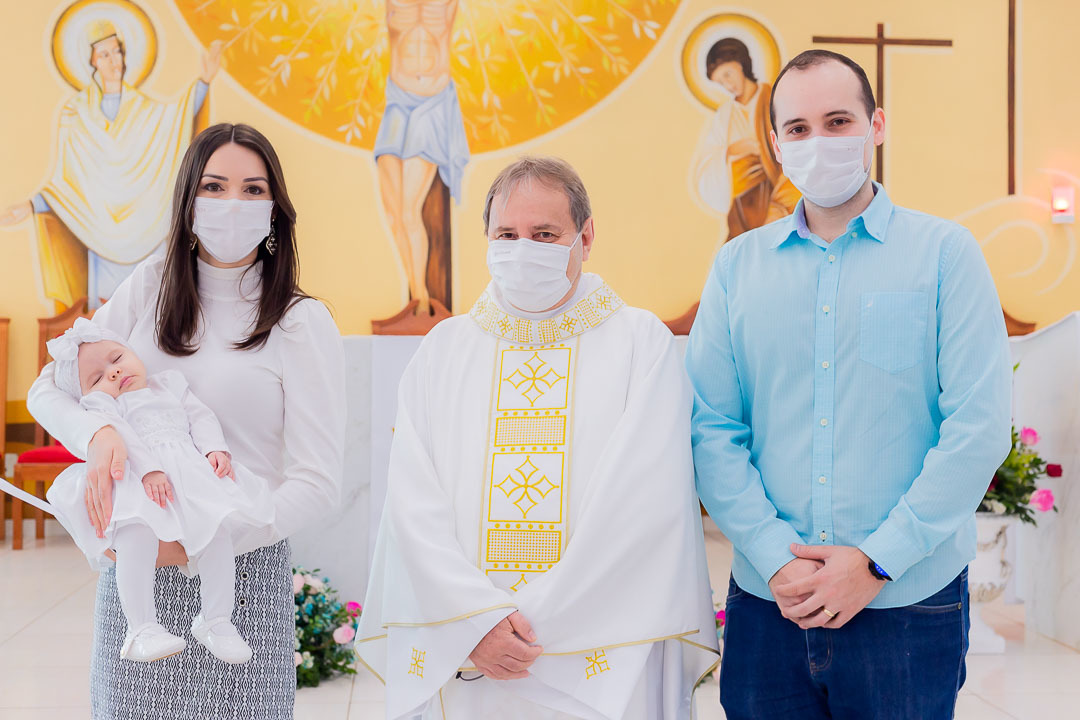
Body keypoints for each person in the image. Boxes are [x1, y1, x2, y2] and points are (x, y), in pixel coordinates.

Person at [687, 49, 1013, 719]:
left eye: (838, 121)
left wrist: (873, 561)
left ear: (877, 125)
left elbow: (976, 429)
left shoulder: (946, 255)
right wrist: (778, 559)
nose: (819, 142)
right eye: (799, 129)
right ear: (776, 144)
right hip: (769, 604)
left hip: (907, 602)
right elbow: (712, 428)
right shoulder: (736, 269)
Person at [357, 156, 718, 718]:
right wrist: (473, 624)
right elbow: (411, 504)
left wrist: (534, 629)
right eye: (507, 234)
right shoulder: (445, 349)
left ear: (586, 236)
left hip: (605, 655)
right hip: (471, 658)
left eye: (545, 234)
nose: (523, 248)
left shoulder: (638, 343)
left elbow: (646, 505)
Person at [27, 122, 345, 718]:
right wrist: (97, 435)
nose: (233, 204)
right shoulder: (150, 286)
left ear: (276, 207)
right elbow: (49, 386)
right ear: (187, 202)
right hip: (140, 577)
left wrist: (205, 533)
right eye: (215, 186)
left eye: (253, 190)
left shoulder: (302, 322)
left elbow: (318, 479)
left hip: (241, 576)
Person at [42, 317, 277, 664]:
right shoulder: (102, 406)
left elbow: (200, 416)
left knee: (217, 533)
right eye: (96, 378)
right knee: (136, 537)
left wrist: (214, 448)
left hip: (190, 474)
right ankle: (141, 628)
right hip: (139, 478)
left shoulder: (169, 384)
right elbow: (119, 433)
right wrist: (150, 469)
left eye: (117, 358)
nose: (113, 373)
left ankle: (216, 619)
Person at [0, 20, 222, 308]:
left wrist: (204, 82)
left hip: (147, 228)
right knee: (104, 323)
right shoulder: (75, 114)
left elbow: (176, 123)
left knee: (153, 313)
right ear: (92, 61)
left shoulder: (144, 110)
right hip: (100, 232)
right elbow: (68, 182)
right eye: (104, 54)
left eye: (117, 52)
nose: (113, 61)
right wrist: (31, 206)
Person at [374, 0, 468, 315]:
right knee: (393, 213)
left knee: (409, 209)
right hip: (397, 102)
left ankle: (423, 299)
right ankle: (416, 295)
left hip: (433, 103)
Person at [692, 38, 799, 239]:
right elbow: (706, 165)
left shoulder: (773, 100)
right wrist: (731, 151)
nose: (727, 85)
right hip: (741, 209)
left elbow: (796, 153)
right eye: (720, 82)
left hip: (777, 200)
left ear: (741, 64)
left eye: (727, 75)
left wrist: (778, 206)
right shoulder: (725, 115)